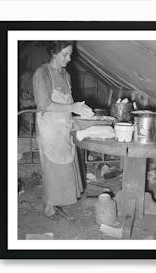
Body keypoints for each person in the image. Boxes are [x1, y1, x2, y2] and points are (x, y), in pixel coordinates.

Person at [32, 41, 94, 219]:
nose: (69, 58)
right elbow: (44, 104)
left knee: (65, 165)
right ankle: (49, 208)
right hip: (50, 127)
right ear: (53, 53)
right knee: (52, 168)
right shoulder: (42, 73)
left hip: (64, 126)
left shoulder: (66, 74)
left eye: (70, 54)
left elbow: (68, 103)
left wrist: (77, 111)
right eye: (65, 55)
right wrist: (73, 107)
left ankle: (56, 203)